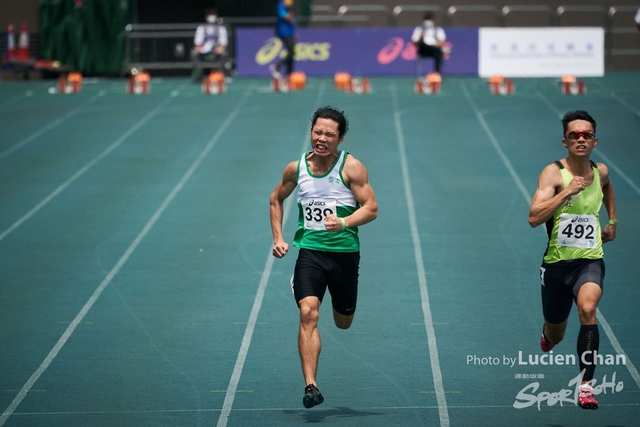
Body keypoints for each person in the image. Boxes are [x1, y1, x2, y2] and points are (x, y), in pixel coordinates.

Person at [269, 106, 378, 408]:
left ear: (340, 138)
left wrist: (343, 222)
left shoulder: (351, 168)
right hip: (311, 253)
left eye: (329, 134)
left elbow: (371, 208)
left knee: (343, 323)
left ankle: (341, 311)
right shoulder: (296, 168)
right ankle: (311, 387)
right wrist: (278, 237)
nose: (322, 138)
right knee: (308, 313)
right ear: (311, 132)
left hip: (344, 256)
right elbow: (275, 199)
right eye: (318, 132)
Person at [528, 110, 617, 410]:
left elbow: (606, 187)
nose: (581, 140)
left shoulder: (601, 171)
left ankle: (586, 386)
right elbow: (533, 218)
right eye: (574, 136)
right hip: (556, 264)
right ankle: (548, 335)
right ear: (564, 141)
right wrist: (566, 193)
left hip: (589, 260)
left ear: (595, 140)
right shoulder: (553, 174)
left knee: (588, 308)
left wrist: (612, 221)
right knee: (557, 331)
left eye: (586, 135)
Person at [191, 8, 228, 82]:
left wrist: (220, 49)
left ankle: (220, 73)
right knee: (193, 53)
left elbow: (224, 44)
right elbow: (197, 43)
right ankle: (199, 74)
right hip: (204, 50)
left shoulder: (221, 28)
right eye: (210, 15)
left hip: (216, 50)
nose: (211, 17)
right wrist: (199, 48)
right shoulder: (201, 28)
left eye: (213, 14)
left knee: (224, 53)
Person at [269, 0, 297, 78]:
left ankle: (289, 73)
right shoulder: (280, 6)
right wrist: (291, 12)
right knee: (291, 51)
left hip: (289, 33)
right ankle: (277, 66)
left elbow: (291, 22)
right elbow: (287, 18)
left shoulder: (286, 7)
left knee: (291, 53)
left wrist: (293, 33)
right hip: (284, 33)